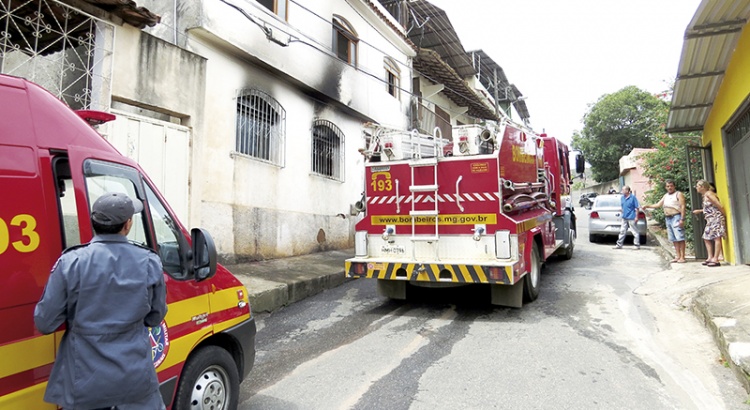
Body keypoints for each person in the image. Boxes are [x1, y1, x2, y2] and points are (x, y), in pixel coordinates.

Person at [34, 192, 167, 410]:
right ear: (127, 224)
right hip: (134, 382)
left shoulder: (71, 262)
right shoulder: (149, 262)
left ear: (94, 223)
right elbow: (155, 317)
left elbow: (45, 322)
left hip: (84, 384)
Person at [643, 180, 686, 263]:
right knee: (674, 238)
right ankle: (677, 256)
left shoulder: (678, 194)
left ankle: (682, 257)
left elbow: (683, 206)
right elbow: (658, 204)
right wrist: (648, 205)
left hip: (676, 216)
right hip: (668, 218)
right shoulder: (666, 196)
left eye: (671, 186)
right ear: (666, 187)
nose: (670, 187)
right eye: (668, 186)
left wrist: (682, 219)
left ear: (674, 186)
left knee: (680, 237)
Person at [693, 180, 726, 267]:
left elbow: (719, 205)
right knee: (706, 237)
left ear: (702, 187)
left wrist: (723, 215)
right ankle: (710, 257)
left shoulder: (709, 194)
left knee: (716, 237)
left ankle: (716, 258)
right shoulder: (705, 195)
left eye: (697, 186)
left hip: (715, 218)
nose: (696, 188)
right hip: (710, 219)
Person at [614, 185, 641, 249]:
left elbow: (637, 208)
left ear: (627, 191)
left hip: (631, 217)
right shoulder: (622, 198)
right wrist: (622, 210)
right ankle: (619, 244)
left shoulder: (633, 197)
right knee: (622, 231)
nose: (622, 191)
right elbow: (623, 206)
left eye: (623, 190)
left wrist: (637, 217)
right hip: (624, 217)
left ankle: (637, 245)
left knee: (634, 231)